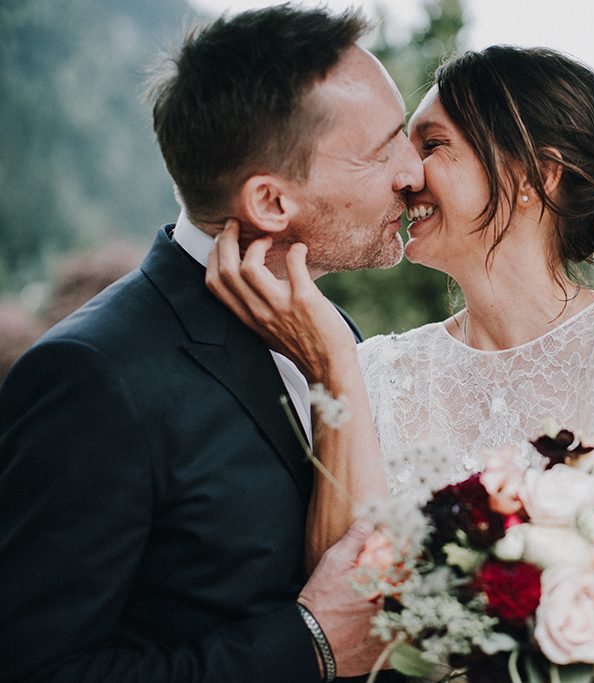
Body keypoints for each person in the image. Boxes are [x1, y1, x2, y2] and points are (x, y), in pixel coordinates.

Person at [209, 46, 594, 656]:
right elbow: (338, 605)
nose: (406, 174)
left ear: (535, 174)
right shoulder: (374, 372)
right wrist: (333, 371)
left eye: (432, 145)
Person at [0, 5, 421, 682]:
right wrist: (306, 644)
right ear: (271, 204)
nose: (414, 172)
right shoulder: (92, 376)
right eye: (384, 150)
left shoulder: (330, 330)